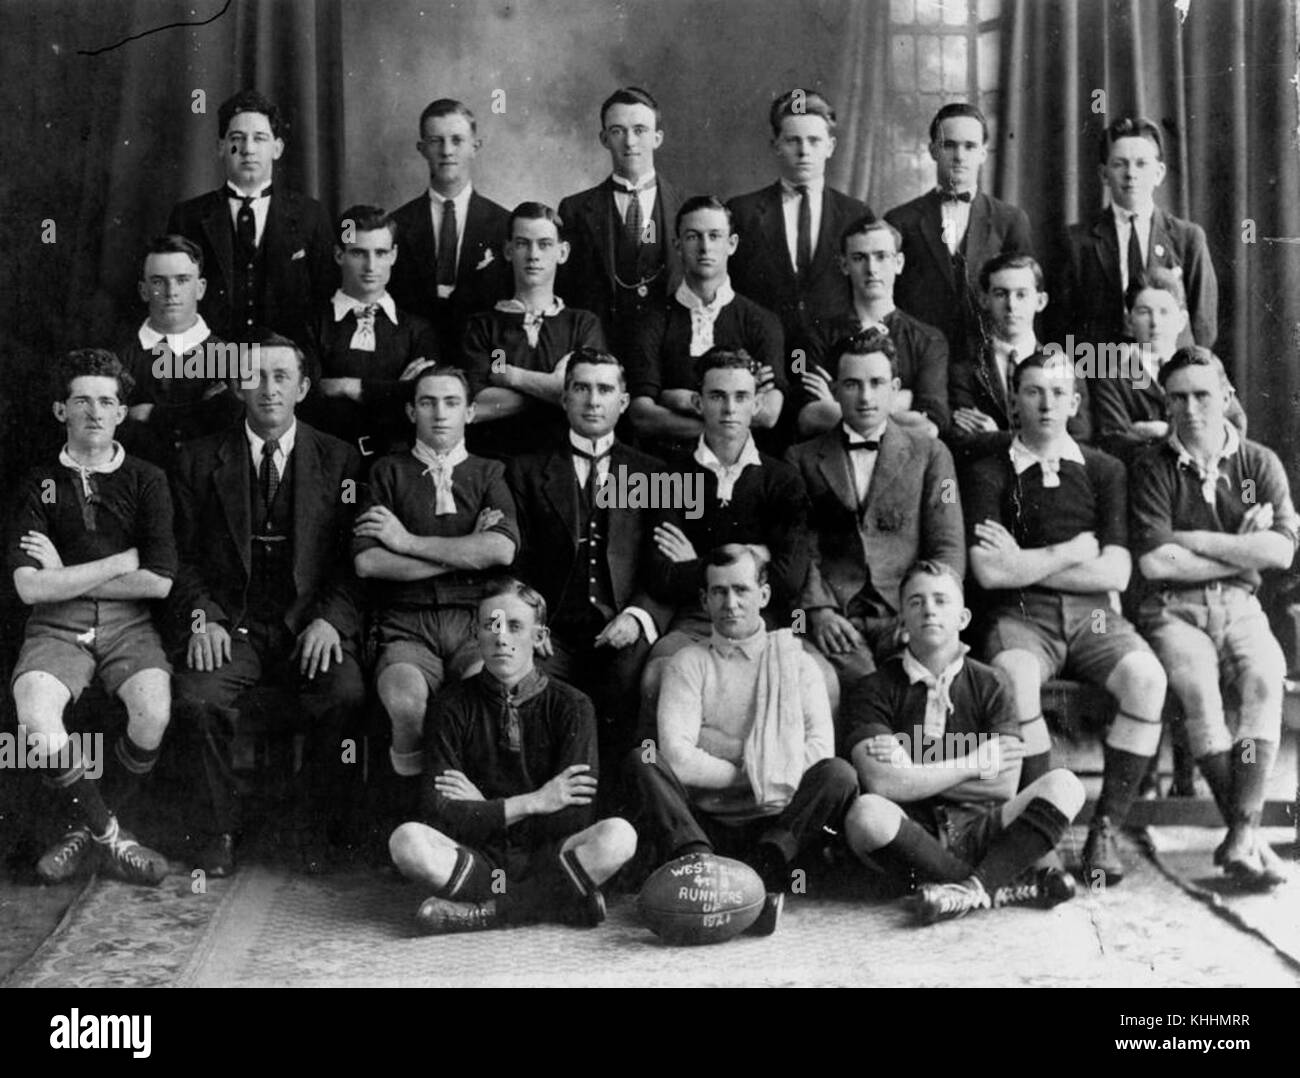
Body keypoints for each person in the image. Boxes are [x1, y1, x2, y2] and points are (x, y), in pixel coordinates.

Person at [962, 353, 1168, 885]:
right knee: (1015, 677)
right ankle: (1043, 831)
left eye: (1057, 393)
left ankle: (1104, 831)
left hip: (1094, 617)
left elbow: (1118, 570)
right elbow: (988, 572)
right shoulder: (989, 471)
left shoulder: (1104, 470)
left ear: (1075, 402)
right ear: (1014, 401)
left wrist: (1025, 564)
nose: (1046, 402)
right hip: (1021, 617)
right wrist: (1074, 551)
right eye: (1033, 391)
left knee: (1147, 679)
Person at [170, 333, 364, 877]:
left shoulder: (341, 460)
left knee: (345, 694)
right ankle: (220, 830)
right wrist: (202, 616)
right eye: (254, 377)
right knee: (197, 699)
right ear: (236, 386)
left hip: (310, 623)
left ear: (303, 387)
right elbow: (178, 560)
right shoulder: (198, 459)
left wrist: (330, 619)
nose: (268, 389)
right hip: (234, 625)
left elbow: (356, 562)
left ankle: (310, 827)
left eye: (281, 377)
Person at [628, 544, 859, 935]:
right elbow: (678, 759)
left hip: (775, 823)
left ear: (764, 595)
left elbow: (818, 753)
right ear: (704, 599)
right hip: (706, 822)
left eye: (741, 590)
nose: (730, 603)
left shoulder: (798, 662)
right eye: (718, 592)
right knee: (644, 760)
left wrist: (716, 747)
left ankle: (764, 873)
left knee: (838, 773)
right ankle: (701, 868)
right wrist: (764, 763)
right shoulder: (688, 663)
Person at [8, 349, 175, 886]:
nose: (95, 413)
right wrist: (115, 562)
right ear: (62, 411)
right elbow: (31, 587)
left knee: (153, 712)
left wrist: (67, 571)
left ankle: (84, 830)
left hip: (130, 622)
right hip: (57, 623)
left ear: (122, 413)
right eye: (82, 401)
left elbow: (158, 580)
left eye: (107, 402)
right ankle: (109, 835)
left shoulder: (147, 479)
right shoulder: (38, 482)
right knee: (34, 715)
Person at [1130, 347, 1295, 888]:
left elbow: (1281, 552)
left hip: (1241, 605)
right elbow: (1156, 560)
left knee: (1265, 679)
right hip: (1173, 610)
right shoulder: (1153, 466)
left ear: (1226, 396)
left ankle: (1241, 836)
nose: (1191, 408)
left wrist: (1194, 539)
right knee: (1198, 689)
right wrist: (1239, 544)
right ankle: (1246, 834)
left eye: (1203, 395)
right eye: (1178, 397)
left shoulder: (1256, 464)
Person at [388, 579, 638, 933]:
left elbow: (575, 817)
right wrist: (537, 800)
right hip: (479, 857)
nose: (501, 637)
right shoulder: (450, 704)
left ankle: (486, 912)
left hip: (550, 854)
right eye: (491, 625)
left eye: (515, 626)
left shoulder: (573, 706)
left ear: (539, 637)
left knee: (619, 836)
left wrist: (484, 806)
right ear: (476, 634)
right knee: (407, 842)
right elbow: (438, 811)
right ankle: (558, 901)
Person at [842, 560, 1083, 924]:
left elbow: (1002, 785)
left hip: (980, 828)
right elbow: (883, 783)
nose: (929, 610)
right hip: (911, 834)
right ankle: (994, 885)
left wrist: (912, 770)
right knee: (866, 814)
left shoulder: (993, 683)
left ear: (963, 617)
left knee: (1066, 785)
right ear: (902, 618)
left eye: (941, 600)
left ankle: (964, 891)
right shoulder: (874, 687)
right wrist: (975, 762)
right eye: (916, 601)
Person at [353, 365, 518, 819]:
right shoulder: (387, 472)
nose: (439, 414)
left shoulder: (489, 473)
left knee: (494, 694)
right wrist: (466, 550)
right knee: (406, 702)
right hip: (406, 625)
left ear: (470, 412)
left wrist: (405, 542)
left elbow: (501, 551)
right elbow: (369, 561)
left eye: (451, 403)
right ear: (411, 411)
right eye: (427, 402)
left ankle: (474, 821)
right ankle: (418, 818)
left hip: (473, 623)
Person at [506, 348, 674, 775]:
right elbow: (517, 562)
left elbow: (665, 564)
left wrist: (638, 617)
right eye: (581, 388)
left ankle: (621, 813)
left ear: (623, 401)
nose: (593, 400)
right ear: (564, 399)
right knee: (526, 686)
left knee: (627, 687)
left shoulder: (654, 473)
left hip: (621, 625)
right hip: (553, 631)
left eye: (604, 389)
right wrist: (530, 620)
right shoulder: (525, 470)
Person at [786, 329, 964, 692]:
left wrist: (921, 608)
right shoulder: (801, 458)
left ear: (894, 388)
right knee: (848, 685)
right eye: (852, 384)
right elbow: (799, 546)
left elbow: (946, 547)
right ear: (834, 391)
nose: (865, 397)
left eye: (876, 383)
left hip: (905, 613)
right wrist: (818, 611)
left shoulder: (931, 454)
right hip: (836, 617)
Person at [167, 89, 335, 343]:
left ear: (277, 148)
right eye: (237, 138)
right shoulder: (187, 216)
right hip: (211, 362)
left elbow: (326, 297)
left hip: (287, 362)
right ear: (221, 147)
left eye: (259, 138)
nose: (248, 149)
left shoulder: (311, 214)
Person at [625, 195, 785, 459]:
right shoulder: (651, 320)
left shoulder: (762, 321)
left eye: (715, 236)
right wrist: (728, 418)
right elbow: (642, 415)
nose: (705, 247)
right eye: (693, 237)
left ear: (731, 244)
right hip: (670, 466)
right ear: (677, 245)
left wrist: (679, 399)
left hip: (741, 464)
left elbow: (768, 414)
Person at [727, 90, 872, 363]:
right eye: (793, 141)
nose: (804, 151)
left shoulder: (856, 214)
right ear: (775, 145)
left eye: (814, 141)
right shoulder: (743, 212)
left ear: (830, 147)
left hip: (835, 359)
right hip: (762, 357)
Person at [885, 103, 1033, 368]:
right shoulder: (900, 221)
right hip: (920, 362)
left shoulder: (1010, 220)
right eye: (949, 145)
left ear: (984, 153)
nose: (959, 156)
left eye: (969, 146)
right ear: (933, 150)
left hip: (987, 364)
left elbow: (1025, 297)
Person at [1058, 116, 1217, 350]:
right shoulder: (1076, 242)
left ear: (1159, 173)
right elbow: (1061, 326)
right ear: (1104, 174)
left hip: (1169, 374)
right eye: (1120, 164)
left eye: (1141, 164)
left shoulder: (1187, 238)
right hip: (1102, 372)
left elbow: (1203, 325)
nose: (1131, 174)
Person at [463, 202, 605, 459]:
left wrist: (513, 377)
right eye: (522, 244)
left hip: (565, 460)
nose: (533, 255)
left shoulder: (582, 325)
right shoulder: (488, 326)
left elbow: (590, 394)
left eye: (544, 244)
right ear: (507, 250)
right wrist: (555, 389)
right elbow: (481, 401)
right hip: (499, 459)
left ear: (562, 252)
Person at [301, 205, 440, 464]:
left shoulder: (418, 330)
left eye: (381, 252)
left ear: (394, 255)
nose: (371, 266)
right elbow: (308, 399)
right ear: (339, 255)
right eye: (358, 253)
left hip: (399, 466)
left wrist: (348, 387)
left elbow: (424, 400)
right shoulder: (310, 324)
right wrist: (395, 391)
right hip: (326, 462)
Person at [557, 87, 684, 361]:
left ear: (657, 138)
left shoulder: (686, 208)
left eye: (640, 130)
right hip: (600, 354)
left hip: (667, 355)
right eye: (618, 131)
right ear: (604, 139)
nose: (630, 142)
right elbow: (566, 292)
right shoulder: (575, 210)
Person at [798, 217, 949, 438]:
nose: (871, 269)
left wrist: (840, 401)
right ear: (844, 265)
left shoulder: (929, 340)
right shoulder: (815, 336)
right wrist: (900, 401)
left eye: (881, 257)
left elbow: (929, 427)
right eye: (859, 258)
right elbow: (810, 416)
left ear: (899, 263)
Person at [389, 99, 512, 358]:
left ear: (475, 147)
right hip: (413, 361)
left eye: (457, 140)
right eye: (436, 141)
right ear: (421, 148)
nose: (447, 151)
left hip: (484, 361)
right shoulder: (397, 225)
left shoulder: (504, 225)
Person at [947, 253, 1090, 466]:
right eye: (1001, 294)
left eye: (1021, 295)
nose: (1011, 306)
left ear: (1040, 301)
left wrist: (998, 437)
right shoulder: (966, 370)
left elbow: (1081, 435)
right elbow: (962, 440)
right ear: (984, 300)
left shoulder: (1063, 366)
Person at [1091, 268, 1245, 465]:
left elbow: (1236, 423)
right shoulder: (1114, 377)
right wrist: (1194, 431)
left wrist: (1162, 431)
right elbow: (1115, 444)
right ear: (1129, 321)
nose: (1155, 322)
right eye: (1144, 312)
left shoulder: (1202, 366)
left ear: (1181, 321)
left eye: (1164, 312)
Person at [118, 235, 241, 470]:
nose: (171, 292)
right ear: (143, 291)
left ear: (200, 288)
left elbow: (234, 430)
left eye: (182, 280)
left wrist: (152, 415)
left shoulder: (230, 358)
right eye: (158, 281)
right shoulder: (118, 357)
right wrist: (201, 412)